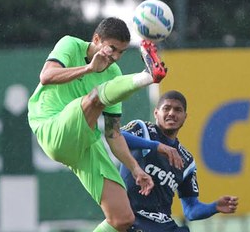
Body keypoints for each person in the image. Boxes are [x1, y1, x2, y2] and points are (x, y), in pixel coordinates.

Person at [27, 17, 168, 232]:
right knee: (94, 98)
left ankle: (148, 76)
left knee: (122, 218)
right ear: (96, 39)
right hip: (50, 127)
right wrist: (89, 69)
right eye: (112, 48)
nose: (116, 57)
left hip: (84, 141)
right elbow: (46, 76)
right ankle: (147, 77)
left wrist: (135, 168)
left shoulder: (113, 73)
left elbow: (113, 134)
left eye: (121, 52)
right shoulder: (70, 44)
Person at [120, 90, 239, 232]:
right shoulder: (142, 129)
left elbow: (190, 210)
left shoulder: (186, 160)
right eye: (166, 108)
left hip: (163, 225)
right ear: (156, 113)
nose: (171, 113)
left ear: (185, 117)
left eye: (177, 110)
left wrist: (214, 207)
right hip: (132, 218)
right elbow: (116, 136)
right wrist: (156, 146)